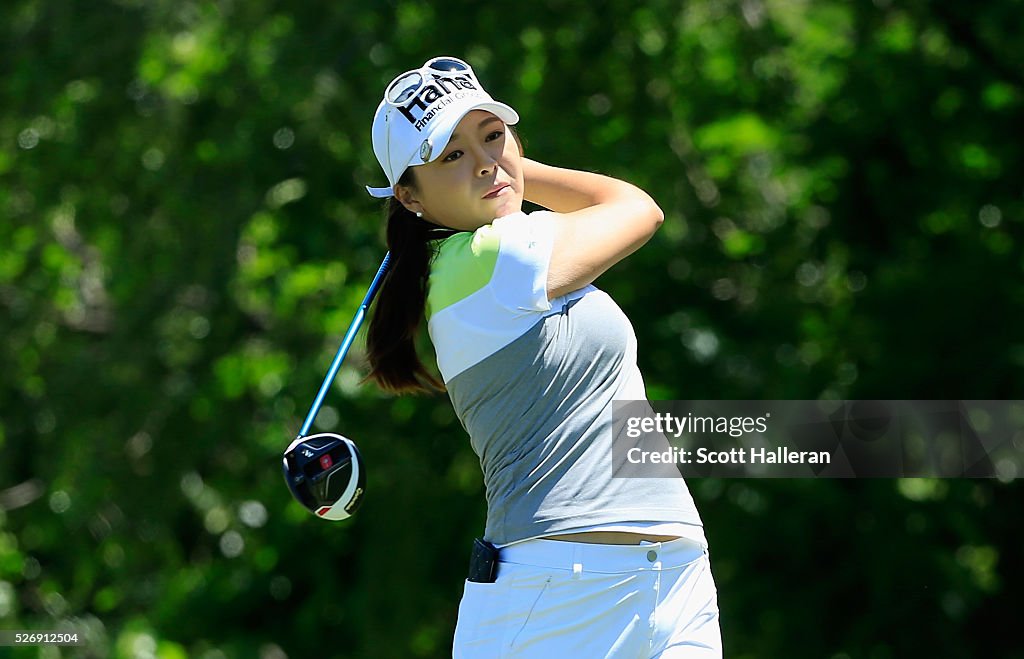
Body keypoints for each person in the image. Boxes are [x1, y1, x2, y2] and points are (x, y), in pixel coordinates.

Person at [363, 56, 722, 658]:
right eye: (451, 155)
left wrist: (497, 171)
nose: (483, 161)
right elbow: (638, 208)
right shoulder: (486, 259)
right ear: (409, 196)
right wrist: (514, 170)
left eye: (493, 135)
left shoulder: (504, 254)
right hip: (554, 596)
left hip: (673, 572)